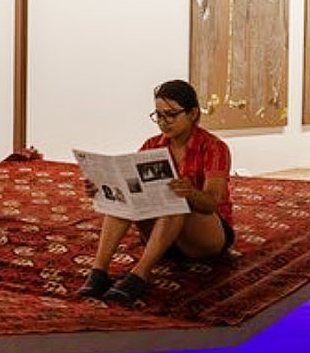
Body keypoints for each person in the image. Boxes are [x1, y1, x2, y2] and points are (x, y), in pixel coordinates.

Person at [77, 78, 234, 305]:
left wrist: (190, 192)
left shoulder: (214, 147)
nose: (163, 122)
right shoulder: (152, 145)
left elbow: (211, 203)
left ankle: (139, 275)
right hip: (163, 235)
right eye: (158, 115)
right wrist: (102, 188)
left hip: (205, 236)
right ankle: (98, 271)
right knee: (123, 199)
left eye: (171, 115)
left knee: (175, 202)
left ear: (193, 114)